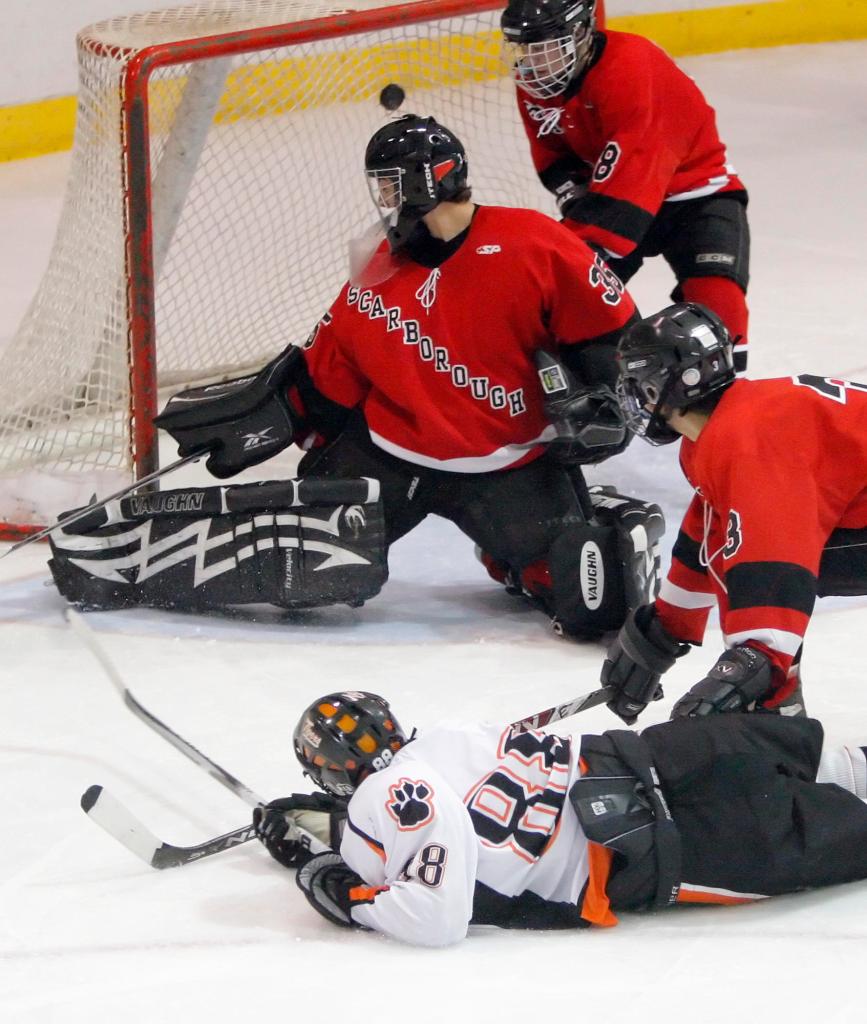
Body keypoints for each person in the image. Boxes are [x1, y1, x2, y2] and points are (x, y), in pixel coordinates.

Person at [155, 113, 663, 638]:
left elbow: (613, 334)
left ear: (429, 179)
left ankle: (541, 539)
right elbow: (338, 361)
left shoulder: (533, 242)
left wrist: (608, 402)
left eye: (391, 183)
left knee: (591, 603)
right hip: (388, 456)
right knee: (302, 572)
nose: (384, 198)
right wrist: (280, 411)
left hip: (507, 463)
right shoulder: (382, 259)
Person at [253, 689, 867, 946]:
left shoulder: (374, 809)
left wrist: (333, 882)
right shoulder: (447, 735)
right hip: (656, 755)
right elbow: (438, 815)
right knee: (839, 764)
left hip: (663, 844)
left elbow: (435, 915)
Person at [601, 301, 867, 725]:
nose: (632, 396)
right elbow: (714, 530)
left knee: (755, 571)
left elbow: (773, 558)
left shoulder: (748, 442)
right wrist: (666, 626)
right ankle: (775, 697)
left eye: (639, 383)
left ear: (669, 384)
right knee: (743, 559)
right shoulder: (728, 428)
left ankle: (773, 705)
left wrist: (751, 670)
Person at [500, 0, 750, 372]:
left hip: (695, 195)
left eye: (547, 49)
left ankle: (723, 393)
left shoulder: (631, 68)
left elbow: (636, 179)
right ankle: (577, 383)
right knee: (569, 302)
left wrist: (581, 256)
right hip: (612, 193)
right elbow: (552, 153)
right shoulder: (537, 84)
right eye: (526, 50)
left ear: (582, 33)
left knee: (717, 301)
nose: (534, 65)